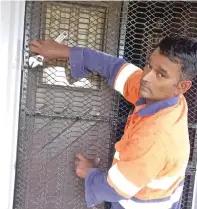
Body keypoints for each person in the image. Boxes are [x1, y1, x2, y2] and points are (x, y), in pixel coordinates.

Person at [29, 35, 197, 209]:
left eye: (161, 74)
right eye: (148, 65)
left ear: (182, 87)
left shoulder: (156, 137)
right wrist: (65, 51)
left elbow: (115, 188)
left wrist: (90, 173)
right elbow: (114, 68)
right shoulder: (162, 95)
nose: (147, 77)